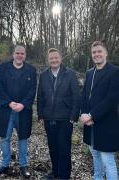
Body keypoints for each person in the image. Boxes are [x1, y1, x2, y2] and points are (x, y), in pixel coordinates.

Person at [0, 45, 37, 178]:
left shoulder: (31, 70)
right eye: (17, 53)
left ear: (25, 55)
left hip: (23, 110)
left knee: (23, 138)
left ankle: (23, 165)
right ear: (13, 54)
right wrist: (10, 103)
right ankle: (5, 164)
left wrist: (23, 104)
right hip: (6, 109)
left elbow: (32, 90)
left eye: (22, 54)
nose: (19, 56)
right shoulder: (3, 68)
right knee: (4, 138)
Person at [37, 48, 80, 180]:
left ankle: (64, 175)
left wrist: (74, 116)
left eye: (56, 58)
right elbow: (40, 97)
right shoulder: (43, 75)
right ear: (48, 60)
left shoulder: (70, 74)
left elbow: (76, 96)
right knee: (53, 147)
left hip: (65, 118)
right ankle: (55, 172)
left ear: (61, 59)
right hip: (49, 118)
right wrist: (40, 115)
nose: (54, 60)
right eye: (51, 58)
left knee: (64, 148)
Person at [80, 41, 119, 180]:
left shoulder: (115, 72)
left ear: (106, 53)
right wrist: (84, 114)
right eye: (94, 52)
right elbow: (84, 95)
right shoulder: (90, 73)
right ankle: (97, 178)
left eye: (99, 51)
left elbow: (112, 99)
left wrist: (92, 115)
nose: (96, 54)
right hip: (90, 125)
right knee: (95, 156)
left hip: (106, 124)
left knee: (108, 161)